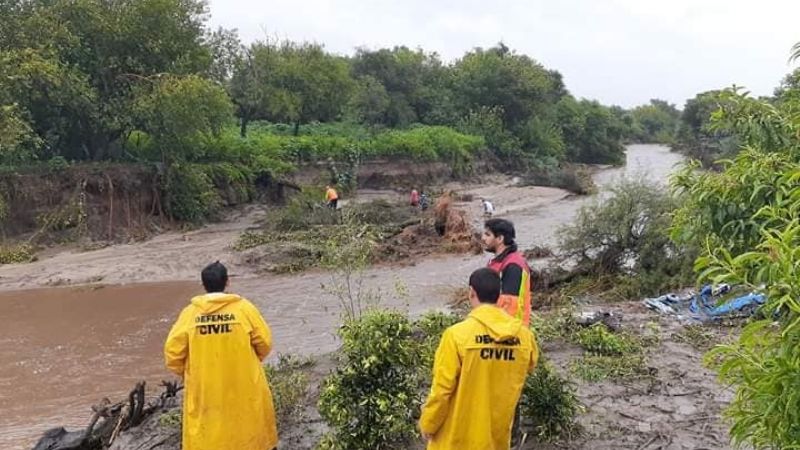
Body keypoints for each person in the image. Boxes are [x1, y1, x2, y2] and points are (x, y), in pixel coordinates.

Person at [418, 268, 538, 450]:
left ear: (471, 292)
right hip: (496, 438)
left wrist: (428, 423)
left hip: (456, 439)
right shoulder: (524, 337)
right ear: (499, 296)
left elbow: (442, 390)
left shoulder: (456, 336)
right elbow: (529, 367)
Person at [164, 261, 278, 450]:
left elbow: (173, 354)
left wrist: (191, 374)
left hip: (205, 390)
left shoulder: (190, 314)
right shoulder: (244, 309)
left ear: (203, 285)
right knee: (249, 433)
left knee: (207, 435)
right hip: (244, 385)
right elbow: (264, 344)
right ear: (228, 282)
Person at [483, 218, 532, 327]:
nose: (483, 238)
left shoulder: (513, 266)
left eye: (487, 235)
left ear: (500, 238)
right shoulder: (498, 261)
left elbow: (510, 306)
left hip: (511, 331)